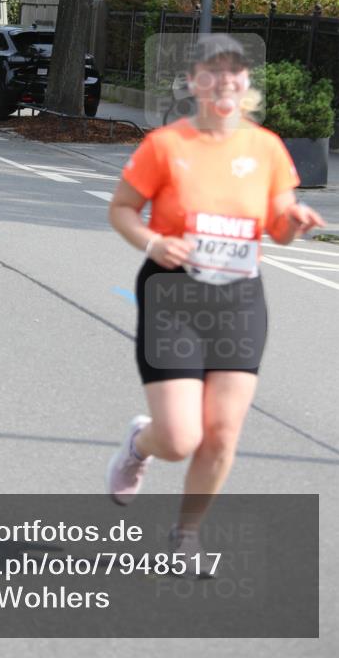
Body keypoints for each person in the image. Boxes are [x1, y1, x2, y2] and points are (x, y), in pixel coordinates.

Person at [106, 33, 325, 566]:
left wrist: (293, 222)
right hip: (172, 295)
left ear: (247, 84)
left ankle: (186, 535)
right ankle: (141, 445)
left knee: (222, 433)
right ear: (193, 82)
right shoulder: (166, 145)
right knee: (181, 438)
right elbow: (122, 210)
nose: (224, 81)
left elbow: (278, 225)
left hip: (239, 300)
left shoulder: (266, 147)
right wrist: (155, 242)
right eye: (212, 72)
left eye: (235, 73)